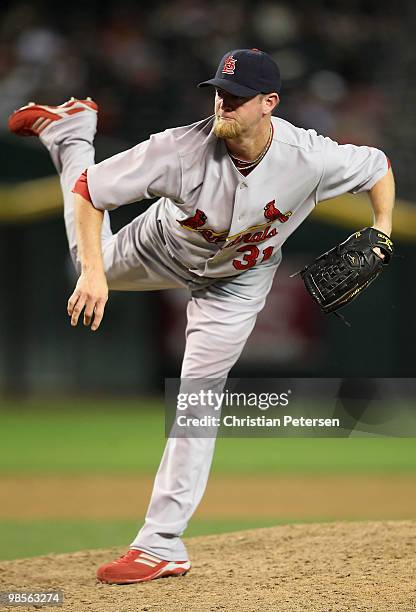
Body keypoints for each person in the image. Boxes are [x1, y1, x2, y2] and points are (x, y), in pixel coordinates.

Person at [8, 48, 394, 584]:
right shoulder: (178, 149)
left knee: (198, 398)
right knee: (87, 257)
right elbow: (89, 192)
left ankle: (161, 543)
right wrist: (96, 275)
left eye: (237, 97)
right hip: (160, 245)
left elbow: (378, 166)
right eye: (220, 92)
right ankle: (73, 133)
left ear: (269, 104)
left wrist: (382, 229)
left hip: (238, 282)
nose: (224, 103)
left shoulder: (311, 156)